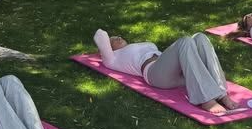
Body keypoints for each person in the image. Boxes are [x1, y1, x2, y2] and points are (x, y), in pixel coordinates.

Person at [94, 29, 240, 115]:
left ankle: (221, 93)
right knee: (185, 41)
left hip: (179, 70)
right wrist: (105, 46)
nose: (117, 37)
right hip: (156, 75)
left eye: (118, 36)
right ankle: (206, 100)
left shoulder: (136, 45)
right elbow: (100, 34)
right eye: (113, 39)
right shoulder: (113, 58)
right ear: (108, 47)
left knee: (200, 37)